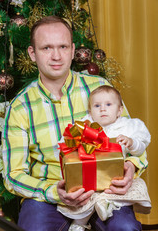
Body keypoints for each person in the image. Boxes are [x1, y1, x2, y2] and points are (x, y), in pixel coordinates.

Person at [2, 15, 147, 231]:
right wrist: (52, 192)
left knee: (125, 228)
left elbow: (133, 141)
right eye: (46, 48)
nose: (56, 56)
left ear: (72, 50)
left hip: (105, 190)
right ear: (32, 54)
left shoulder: (100, 88)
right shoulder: (20, 107)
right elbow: (13, 175)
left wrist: (130, 167)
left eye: (62, 46)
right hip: (48, 196)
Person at [57, 85, 151, 231]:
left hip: (115, 179)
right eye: (97, 105)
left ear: (119, 110)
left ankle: (106, 206)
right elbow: (68, 142)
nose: (102, 109)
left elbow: (141, 147)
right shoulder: (86, 126)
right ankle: (79, 223)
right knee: (83, 201)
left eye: (108, 104)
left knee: (117, 200)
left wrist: (131, 143)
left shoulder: (129, 127)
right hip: (91, 177)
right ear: (90, 112)